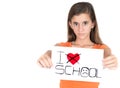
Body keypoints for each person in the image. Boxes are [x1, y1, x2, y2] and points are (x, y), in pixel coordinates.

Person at [37, 2, 118, 88]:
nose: (80, 29)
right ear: (70, 24)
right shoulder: (62, 47)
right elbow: (52, 52)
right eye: (76, 24)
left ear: (93, 24)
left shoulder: (101, 49)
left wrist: (112, 60)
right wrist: (46, 55)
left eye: (85, 23)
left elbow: (107, 54)